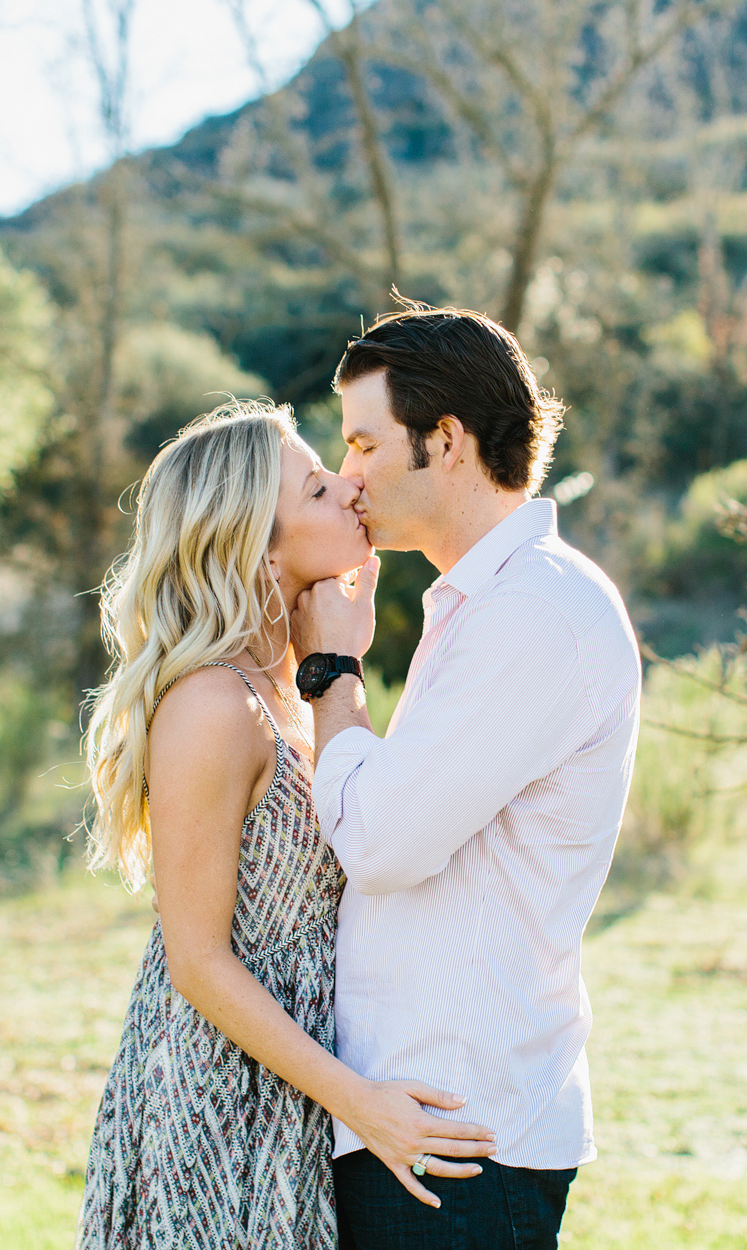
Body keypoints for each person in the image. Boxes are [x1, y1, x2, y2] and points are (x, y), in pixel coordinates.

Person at [74, 401, 497, 1250]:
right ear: (260, 546)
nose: (351, 486)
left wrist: (337, 666)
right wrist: (360, 1100)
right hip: (219, 1100)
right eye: (316, 486)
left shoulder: (292, 698)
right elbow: (197, 962)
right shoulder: (211, 704)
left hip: (294, 1090)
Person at [291, 305, 642, 1248]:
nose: (348, 474)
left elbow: (380, 843)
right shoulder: (483, 602)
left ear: (445, 441)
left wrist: (331, 672)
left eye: (365, 443)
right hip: (422, 1124)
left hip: (463, 1140)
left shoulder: (536, 609)